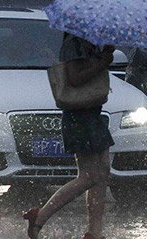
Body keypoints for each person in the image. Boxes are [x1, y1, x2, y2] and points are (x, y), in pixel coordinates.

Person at [23, 33, 115, 239]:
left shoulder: (90, 41)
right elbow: (74, 78)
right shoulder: (74, 42)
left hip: (93, 113)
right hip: (79, 116)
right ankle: (39, 217)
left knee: (103, 171)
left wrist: (106, 52)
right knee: (89, 176)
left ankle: (95, 233)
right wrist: (103, 62)